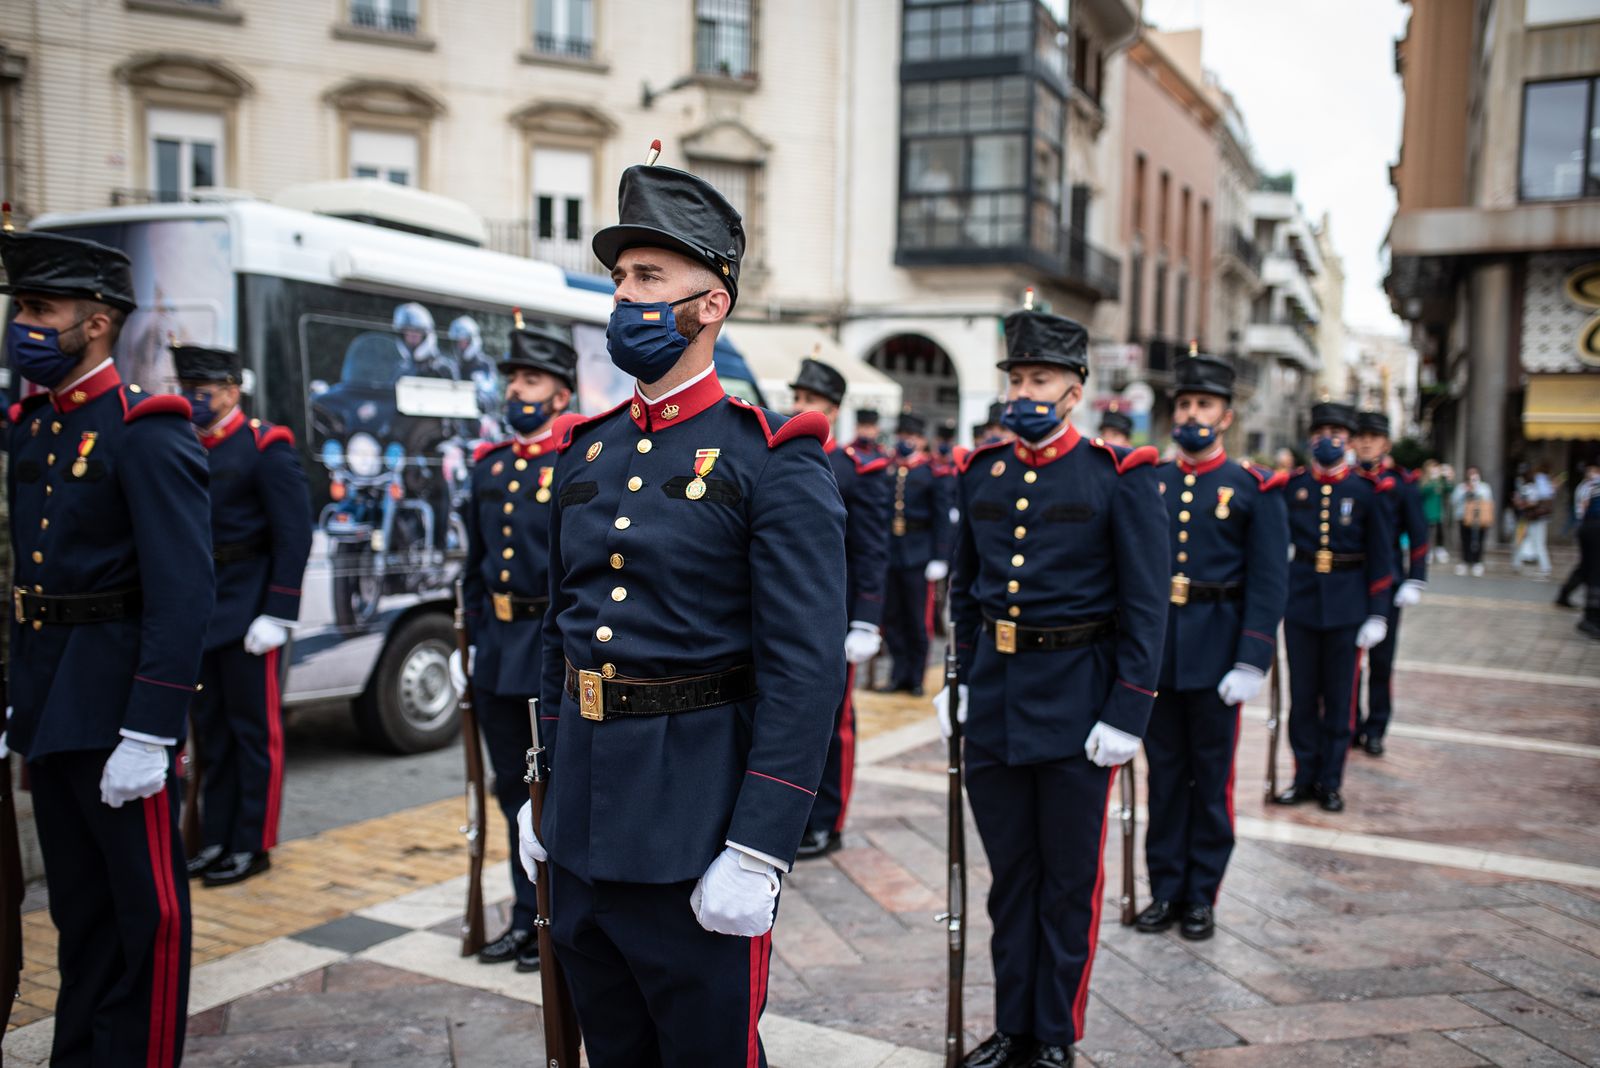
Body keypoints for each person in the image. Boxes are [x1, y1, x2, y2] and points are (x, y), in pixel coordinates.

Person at [518, 151, 847, 1067]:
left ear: (712, 304)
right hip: (582, 817)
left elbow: (805, 671)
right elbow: (564, 637)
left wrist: (761, 844)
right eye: (620, 278)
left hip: (698, 824)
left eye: (649, 277)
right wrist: (537, 791)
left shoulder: (771, 458)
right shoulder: (585, 453)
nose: (624, 297)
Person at [1, 228, 214, 1065]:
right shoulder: (34, 427)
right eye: (20, 308)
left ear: (96, 324)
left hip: (120, 706)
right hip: (50, 701)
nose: (23, 325)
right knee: (77, 910)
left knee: (145, 913)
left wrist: (152, 728)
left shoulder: (147, 429)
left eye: (39, 309)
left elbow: (183, 591)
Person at [941, 299, 1167, 1068]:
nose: (1026, 395)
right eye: (1018, 379)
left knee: (1069, 882)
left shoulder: (1117, 477)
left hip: (1080, 702)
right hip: (998, 701)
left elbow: (1144, 604)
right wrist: (961, 682)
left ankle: (1055, 1035)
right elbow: (966, 592)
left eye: (1042, 380)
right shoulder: (983, 473)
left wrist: (1129, 709)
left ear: (1077, 389)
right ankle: (1013, 1026)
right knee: (1012, 881)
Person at [1138, 352, 1287, 943]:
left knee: (1211, 780)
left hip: (1219, 651)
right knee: (1164, 780)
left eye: (1203, 405)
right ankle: (1164, 889)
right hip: (1159, 653)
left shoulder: (1253, 487)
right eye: (1184, 405)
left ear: (1226, 416)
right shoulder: (1151, 481)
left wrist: (1252, 658)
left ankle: (1201, 895)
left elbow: (1270, 580)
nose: (1192, 414)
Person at [451, 314, 582, 971]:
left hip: (547, 647)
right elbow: (475, 568)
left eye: (531, 380)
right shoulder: (491, 466)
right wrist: (467, 643)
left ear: (561, 394)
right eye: (512, 380)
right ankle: (525, 913)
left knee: (551, 789)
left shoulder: (576, 461)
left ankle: (556, 920)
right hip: (499, 647)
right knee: (510, 790)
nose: (517, 392)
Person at [176, 343, 312, 887]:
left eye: (202, 393)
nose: (193, 401)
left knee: (253, 733)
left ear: (231, 391)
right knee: (212, 735)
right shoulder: (189, 443)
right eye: (187, 391)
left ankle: (251, 844)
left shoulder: (264, 446)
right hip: (204, 609)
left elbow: (293, 533)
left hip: (250, 610)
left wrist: (278, 611)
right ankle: (216, 839)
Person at [789, 356, 893, 860]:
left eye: (809, 400)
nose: (798, 407)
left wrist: (867, 618)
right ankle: (791, 814)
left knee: (833, 722)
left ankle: (829, 820)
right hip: (785, 610)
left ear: (832, 408)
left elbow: (872, 547)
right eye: (797, 398)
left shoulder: (856, 468)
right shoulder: (780, 454)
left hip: (836, 613)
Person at [1272, 402, 1392, 814]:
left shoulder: (1366, 491)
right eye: (1321, 432)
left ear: (1350, 440)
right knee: (1303, 697)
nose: (1328, 441)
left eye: (1337, 434)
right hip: (1302, 601)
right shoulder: (1294, 486)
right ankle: (1303, 775)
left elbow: (1381, 557)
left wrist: (1378, 612)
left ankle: (1331, 781)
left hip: (1347, 605)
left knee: (1339, 700)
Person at [1352, 411, 1428, 758]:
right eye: (1361, 436)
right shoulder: (1347, 480)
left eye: (1374, 437)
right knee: (1348, 662)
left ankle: (1377, 727)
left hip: (1389, 584)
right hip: (1349, 582)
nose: (1366, 442)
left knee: (1381, 662)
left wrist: (1416, 578)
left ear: (1386, 443)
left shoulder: (1400, 483)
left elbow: (1418, 533)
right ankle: (1350, 722)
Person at [882, 411, 951, 696]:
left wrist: (940, 556)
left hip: (918, 553)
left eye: (910, 437)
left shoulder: (931, 472)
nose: (905, 441)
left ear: (921, 440)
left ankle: (917, 676)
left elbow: (942, 517)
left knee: (917, 619)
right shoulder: (890, 468)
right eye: (902, 436)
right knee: (893, 617)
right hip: (892, 551)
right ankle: (898, 675)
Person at [1556, 460, 1600, 608]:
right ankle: (1591, 612)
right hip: (1591, 527)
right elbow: (1585, 505)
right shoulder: (1592, 486)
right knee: (1593, 568)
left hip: (1588, 526)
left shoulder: (1589, 485)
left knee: (1586, 567)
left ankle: (1565, 594)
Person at [1513, 463, 1555, 578]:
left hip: (1536, 518)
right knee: (1521, 540)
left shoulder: (1537, 484)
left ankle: (1545, 567)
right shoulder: (1527, 485)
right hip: (1528, 518)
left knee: (1537, 543)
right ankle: (1516, 563)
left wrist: (1523, 504)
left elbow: (1535, 501)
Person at [1453, 469, 1494, 577]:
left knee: (1480, 540)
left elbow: (1488, 500)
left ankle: (1477, 562)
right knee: (1465, 540)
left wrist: (1475, 490)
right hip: (1464, 517)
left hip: (1480, 518)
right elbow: (1454, 500)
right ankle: (1465, 561)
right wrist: (1466, 491)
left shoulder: (1484, 487)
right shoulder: (1461, 487)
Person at [1419, 460, 1452, 563]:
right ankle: (1427, 552)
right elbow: (1423, 491)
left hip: (1439, 513)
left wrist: (1448, 478)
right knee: (1427, 534)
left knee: (1440, 533)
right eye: (1433, 468)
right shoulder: (1425, 481)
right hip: (1427, 512)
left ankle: (1439, 550)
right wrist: (1433, 482)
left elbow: (1449, 489)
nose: (1435, 470)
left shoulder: (1440, 481)